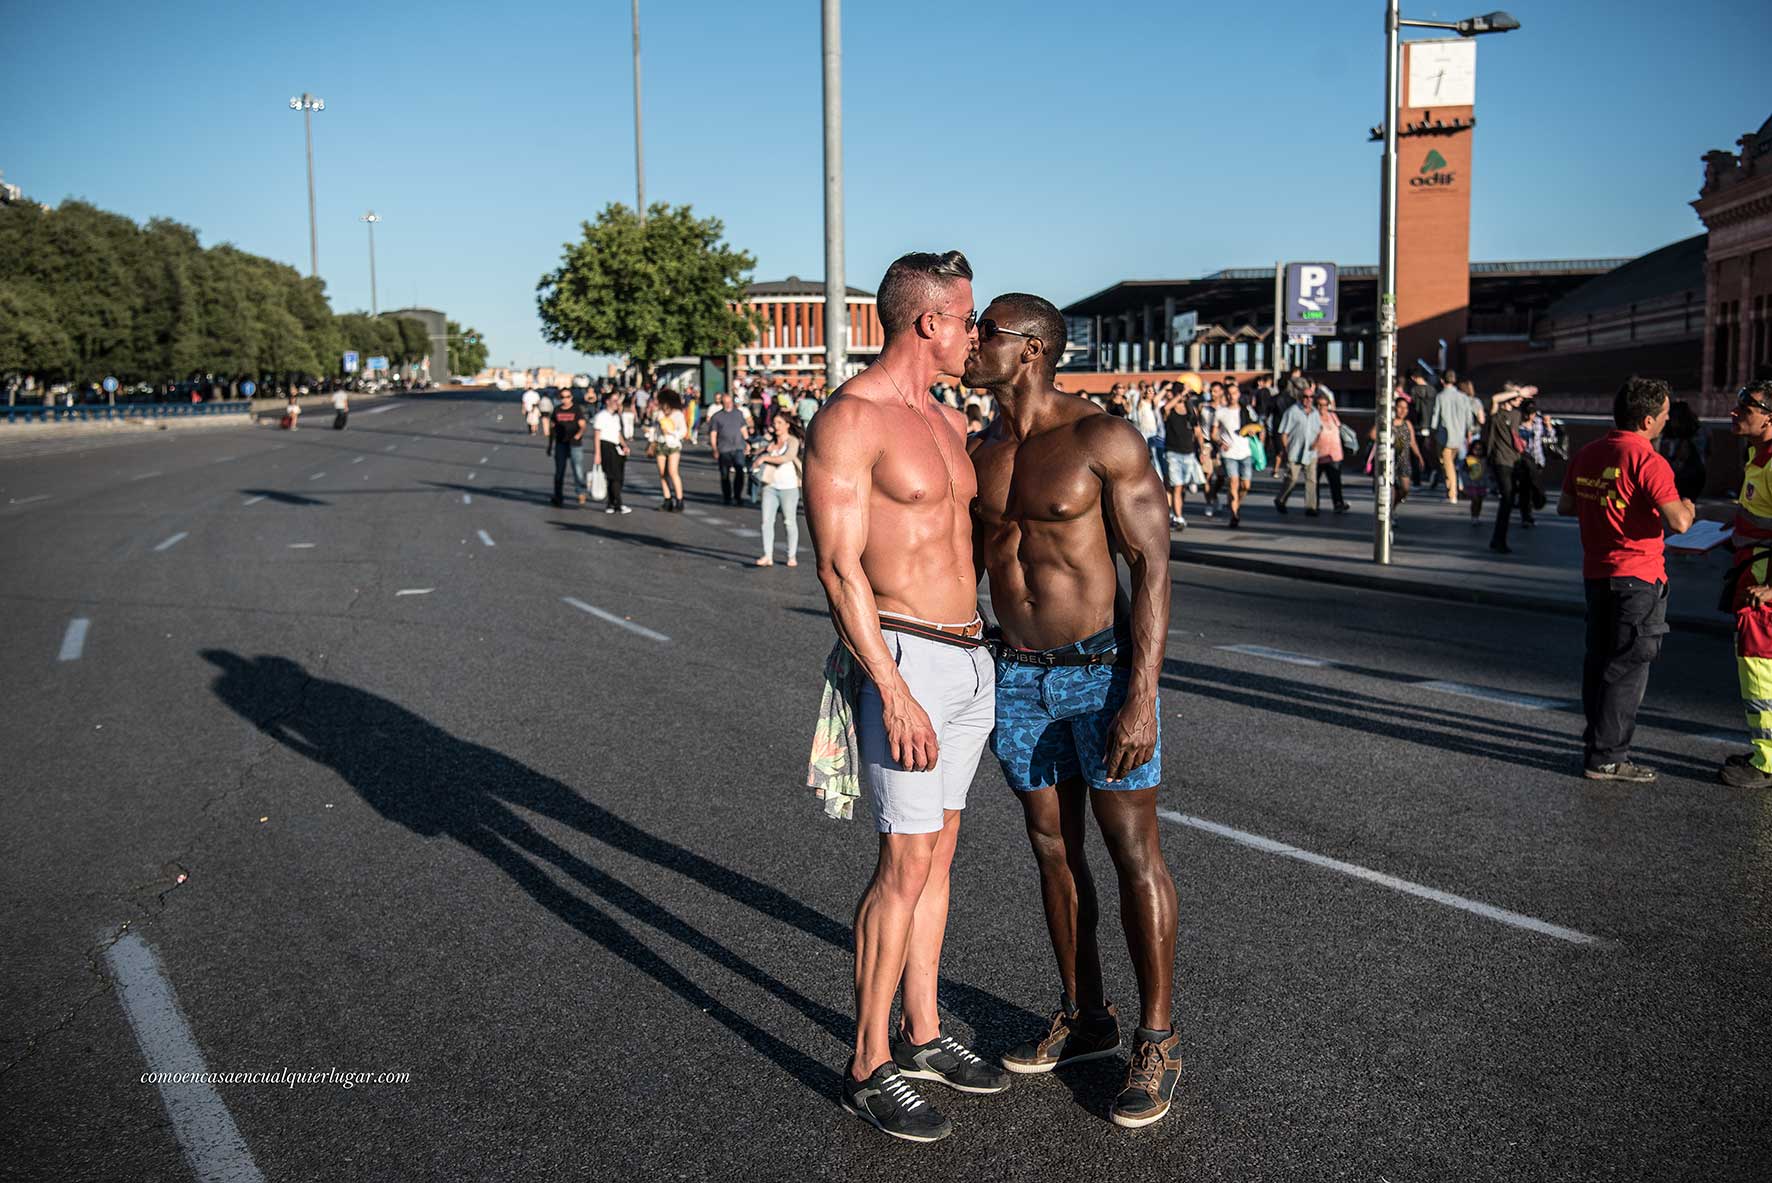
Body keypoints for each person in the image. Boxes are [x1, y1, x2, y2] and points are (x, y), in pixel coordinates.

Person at [963, 293, 1182, 1129]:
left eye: (986, 331)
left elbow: (1153, 567)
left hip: (1100, 672)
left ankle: (1157, 1039)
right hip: (1018, 674)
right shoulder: (980, 449)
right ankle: (1087, 1013)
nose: (971, 341)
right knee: (1052, 848)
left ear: (1030, 349)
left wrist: (1141, 695)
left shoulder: (1102, 439)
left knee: (1134, 853)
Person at [803, 250, 1005, 1144]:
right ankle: (866, 1061)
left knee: (941, 855)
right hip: (904, 662)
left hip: (969, 659)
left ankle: (922, 1033)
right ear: (929, 322)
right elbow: (837, 565)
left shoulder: (949, 420)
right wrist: (888, 687)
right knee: (902, 865)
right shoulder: (852, 419)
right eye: (966, 319)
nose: (974, 334)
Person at [1557, 376, 1693, 783]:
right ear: (1648, 420)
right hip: (1638, 577)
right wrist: (1688, 505)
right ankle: (1608, 758)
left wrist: (1605, 506)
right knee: (1629, 668)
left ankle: (1596, 745)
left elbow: (1566, 506)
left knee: (1599, 663)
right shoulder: (1649, 461)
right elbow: (1679, 523)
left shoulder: (1588, 453)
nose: (1667, 422)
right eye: (1665, 416)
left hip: (1597, 573)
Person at [1716, 380, 1772, 788]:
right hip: (1752, 575)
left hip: (1764, 589)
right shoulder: (1759, 454)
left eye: (1746, 407)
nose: (1735, 413)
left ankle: (1767, 761)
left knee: (1760, 672)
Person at [1485, 384, 1532, 554]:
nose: (1520, 399)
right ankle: (1498, 540)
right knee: (1507, 498)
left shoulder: (1517, 414)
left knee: (1509, 500)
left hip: (1515, 461)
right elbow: (1494, 399)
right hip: (1500, 461)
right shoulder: (1497, 414)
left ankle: (1497, 539)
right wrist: (1518, 392)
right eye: (1517, 396)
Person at [754, 411, 803, 567]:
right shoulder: (770, 442)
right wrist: (760, 450)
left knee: (789, 522)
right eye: (774, 423)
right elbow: (755, 451)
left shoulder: (793, 441)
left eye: (779, 423)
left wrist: (765, 457)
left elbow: (787, 458)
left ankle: (791, 555)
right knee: (766, 522)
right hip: (770, 486)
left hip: (789, 487)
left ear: (788, 425)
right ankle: (767, 555)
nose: (776, 426)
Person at [1162, 387, 1207, 531]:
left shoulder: (1190, 410)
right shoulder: (1169, 410)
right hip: (1172, 452)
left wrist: (1202, 449)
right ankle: (1178, 517)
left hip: (1188, 452)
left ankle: (1175, 512)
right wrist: (1180, 395)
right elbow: (1165, 408)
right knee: (1177, 485)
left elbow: (1198, 431)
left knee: (1182, 486)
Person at [1275, 384, 1321, 515]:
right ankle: (1281, 499)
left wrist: (1316, 443)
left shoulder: (1315, 413)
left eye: (1311, 397)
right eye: (1305, 397)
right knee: (1292, 479)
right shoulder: (1292, 411)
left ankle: (1311, 507)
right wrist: (1285, 450)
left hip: (1310, 452)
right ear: (1300, 397)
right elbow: (1283, 432)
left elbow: (1319, 430)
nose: (1308, 399)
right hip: (1295, 451)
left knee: (1312, 480)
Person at [1211, 386, 1254, 528]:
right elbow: (1214, 433)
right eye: (1229, 394)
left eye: (1234, 393)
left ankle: (1235, 503)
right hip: (1228, 453)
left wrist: (1253, 431)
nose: (1231, 396)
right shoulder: (1221, 412)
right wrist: (1219, 442)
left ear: (1239, 394)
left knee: (1246, 486)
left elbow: (1256, 426)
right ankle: (1234, 514)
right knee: (1233, 483)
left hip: (1245, 451)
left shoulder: (1246, 410)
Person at [1370, 400, 1423, 510]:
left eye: (1406, 408)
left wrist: (1419, 456)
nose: (1403, 410)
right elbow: (1372, 434)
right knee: (1391, 489)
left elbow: (1412, 442)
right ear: (1394, 408)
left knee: (1405, 488)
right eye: (1400, 407)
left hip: (1403, 460)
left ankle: (1393, 507)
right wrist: (1386, 438)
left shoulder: (1407, 424)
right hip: (1389, 460)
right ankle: (1389, 513)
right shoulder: (1387, 422)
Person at [706, 392, 753, 506]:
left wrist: (747, 442)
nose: (728, 404)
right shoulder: (717, 417)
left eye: (729, 402)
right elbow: (713, 434)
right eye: (725, 402)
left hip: (738, 447)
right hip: (724, 449)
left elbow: (743, 429)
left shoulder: (739, 414)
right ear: (722, 403)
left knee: (740, 471)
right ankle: (727, 496)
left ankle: (737, 495)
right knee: (724, 474)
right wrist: (714, 449)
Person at [591, 389, 631, 514]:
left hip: (616, 446)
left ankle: (611, 503)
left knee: (618, 476)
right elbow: (597, 435)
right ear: (607, 402)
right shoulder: (601, 416)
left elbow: (618, 433)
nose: (616, 403)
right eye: (614, 400)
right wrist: (597, 454)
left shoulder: (616, 416)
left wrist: (624, 445)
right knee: (613, 476)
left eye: (617, 401)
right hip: (606, 446)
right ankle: (618, 503)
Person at [1310, 389, 1350, 514]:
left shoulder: (1333, 416)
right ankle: (1313, 505)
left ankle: (1338, 504)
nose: (1322, 407)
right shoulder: (1312, 417)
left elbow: (1339, 429)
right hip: (1317, 454)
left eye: (1324, 405)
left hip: (1334, 454)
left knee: (1335, 482)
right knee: (1314, 482)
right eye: (1319, 405)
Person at [548, 387, 587, 508]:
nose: (565, 399)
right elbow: (552, 428)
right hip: (560, 444)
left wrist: (578, 435)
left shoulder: (576, 409)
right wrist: (550, 445)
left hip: (574, 444)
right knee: (559, 472)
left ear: (571, 397)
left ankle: (580, 492)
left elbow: (583, 426)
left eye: (567, 397)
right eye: (562, 397)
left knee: (577, 470)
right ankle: (558, 497)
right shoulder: (557, 410)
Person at [652, 389, 688, 511]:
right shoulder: (659, 414)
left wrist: (671, 432)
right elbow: (655, 429)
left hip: (673, 444)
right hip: (661, 443)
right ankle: (667, 499)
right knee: (662, 473)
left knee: (673, 472)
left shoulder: (678, 414)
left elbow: (683, 432)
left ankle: (679, 499)